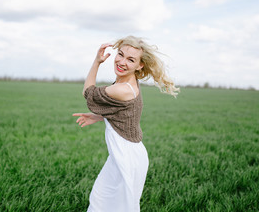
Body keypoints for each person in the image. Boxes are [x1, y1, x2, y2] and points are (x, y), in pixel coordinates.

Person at [73, 35, 179, 212]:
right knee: (101, 199)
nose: (121, 62)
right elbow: (126, 114)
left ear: (140, 65)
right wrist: (99, 116)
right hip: (124, 155)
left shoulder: (122, 89)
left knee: (120, 206)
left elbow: (88, 93)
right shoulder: (128, 83)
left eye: (130, 59)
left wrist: (97, 62)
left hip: (128, 157)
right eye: (120, 54)